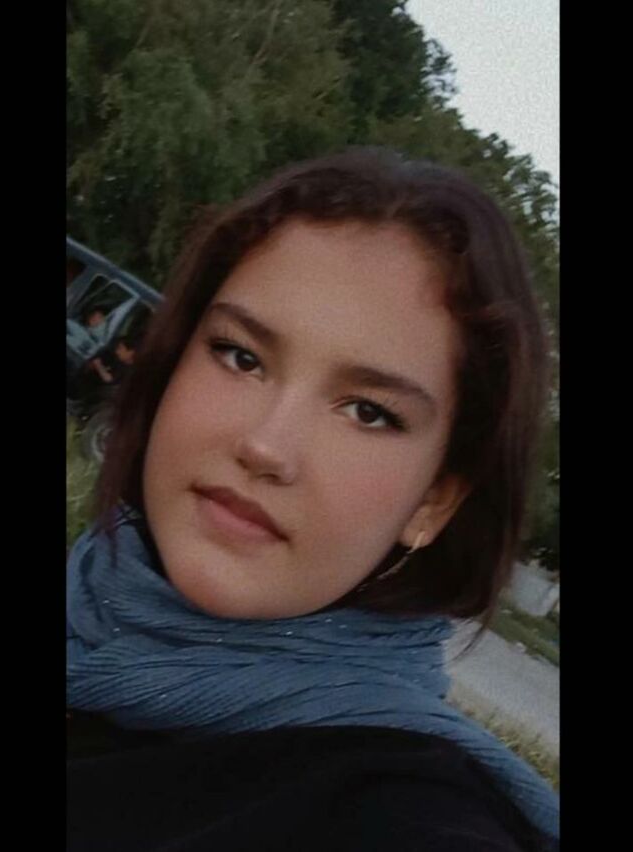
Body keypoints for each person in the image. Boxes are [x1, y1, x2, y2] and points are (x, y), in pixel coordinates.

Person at [67, 147, 559, 851]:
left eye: (368, 412)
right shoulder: (87, 608)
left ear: (435, 501)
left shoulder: (399, 812)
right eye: (241, 356)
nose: (266, 445)